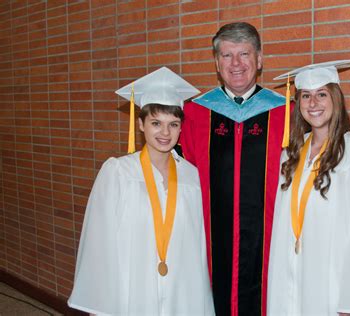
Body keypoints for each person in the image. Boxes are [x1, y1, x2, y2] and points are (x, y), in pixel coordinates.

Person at [68, 67, 214, 315]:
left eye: (173, 124)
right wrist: (100, 305)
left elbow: (197, 246)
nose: (165, 133)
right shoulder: (118, 173)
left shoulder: (192, 176)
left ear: (181, 128)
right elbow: (99, 243)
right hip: (133, 287)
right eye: (156, 123)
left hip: (181, 288)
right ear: (140, 124)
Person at [267, 60, 350, 315]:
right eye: (306, 96)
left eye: (321, 94)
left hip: (332, 290)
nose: (313, 103)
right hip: (290, 282)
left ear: (336, 99)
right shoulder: (290, 156)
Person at [178, 22, 287, 316]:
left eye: (244, 54)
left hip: (268, 240)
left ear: (259, 59)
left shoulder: (284, 112)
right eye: (227, 55)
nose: (236, 63)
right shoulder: (195, 113)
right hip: (210, 240)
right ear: (216, 62)